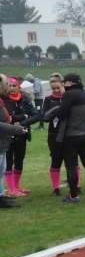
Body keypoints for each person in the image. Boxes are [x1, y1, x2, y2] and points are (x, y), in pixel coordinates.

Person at [52, 73, 85, 202]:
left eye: (65, 83)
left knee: (71, 166)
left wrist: (55, 110)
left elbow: (61, 114)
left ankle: (73, 195)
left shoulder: (69, 94)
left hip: (72, 136)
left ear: (69, 83)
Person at [1, 76, 39, 196]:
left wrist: (22, 123)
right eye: (9, 86)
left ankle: (17, 186)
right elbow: (9, 117)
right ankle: (11, 189)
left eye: (14, 86)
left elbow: (36, 115)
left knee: (19, 160)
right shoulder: (3, 100)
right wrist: (23, 116)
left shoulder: (25, 99)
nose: (12, 88)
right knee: (8, 161)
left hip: (22, 133)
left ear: (19, 87)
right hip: (8, 134)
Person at [0, 76, 27, 206]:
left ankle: (2, 196)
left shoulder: (2, 101)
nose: (8, 87)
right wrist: (17, 129)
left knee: (1, 170)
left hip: (4, 140)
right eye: (6, 84)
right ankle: (5, 194)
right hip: (3, 139)